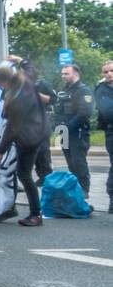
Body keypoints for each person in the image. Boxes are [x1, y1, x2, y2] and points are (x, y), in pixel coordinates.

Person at [0, 65, 49, 227]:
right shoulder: (24, 81)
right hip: (36, 132)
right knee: (14, 172)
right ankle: (10, 207)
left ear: (3, 82)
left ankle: (36, 214)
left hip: (29, 138)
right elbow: (31, 69)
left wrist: (0, 150)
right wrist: (19, 60)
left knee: (24, 175)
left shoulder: (18, 99)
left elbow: (12, 128)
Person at [54, 63, 93, 196]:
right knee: (70, 163)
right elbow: (58, 111)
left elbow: (84, 113)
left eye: (66, 73)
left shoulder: (84, 90)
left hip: (78, 132)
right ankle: (75, 189)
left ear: (75, 74)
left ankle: (83, 190)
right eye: (62, 73)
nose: (63, 76)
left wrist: (67, 127)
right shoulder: (64, 90)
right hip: (64, 133)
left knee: (78, 162)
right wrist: (58, 126)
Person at [95, 60, 113, 214]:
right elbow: (108, 112)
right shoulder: (101, 90)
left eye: (111, 71)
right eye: (106, 72)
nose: (109, 74)